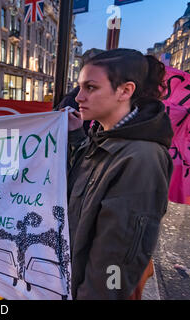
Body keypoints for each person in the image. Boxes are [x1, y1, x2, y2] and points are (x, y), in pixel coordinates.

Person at [66, 48, 173, 299]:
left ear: (125, 91)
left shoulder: (142, 159)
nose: (78, 97)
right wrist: (76, 136)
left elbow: (116, 260)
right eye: (79, 87)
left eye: (90, 88)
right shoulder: (103, 137)